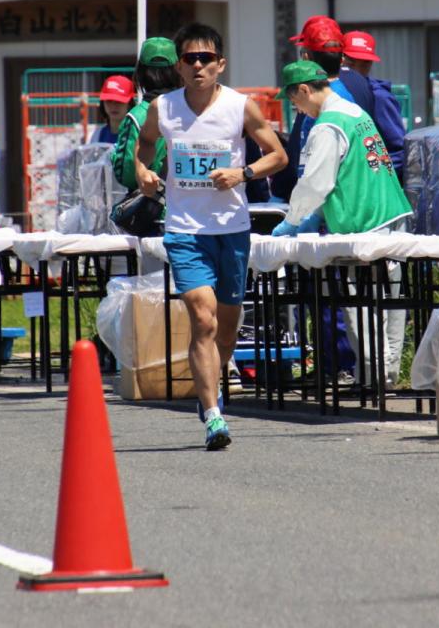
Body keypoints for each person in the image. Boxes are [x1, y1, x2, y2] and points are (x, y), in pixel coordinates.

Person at [135, 23, 287, 450]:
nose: (198, 65)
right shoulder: (162, 109)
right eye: (190, 59)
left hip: (232, 229)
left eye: (206, 58)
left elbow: (278, 155)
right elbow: (145, 147)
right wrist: (145, 172)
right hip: (185, 230)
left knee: (225, 330)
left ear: (220, 64)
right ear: (180, 67)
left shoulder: (241, 107)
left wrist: (244, 173)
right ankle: (214, 415)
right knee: (202, 318)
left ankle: (209, 388)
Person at [271, 59, 412, 386]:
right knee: (391, 302)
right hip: (391, 213)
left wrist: (292, 222)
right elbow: (346, 173)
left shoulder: (328, 124)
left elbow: (315, 185)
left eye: (294, 101)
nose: (296, 109)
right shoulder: (355, 113)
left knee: (359, 304)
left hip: (364, 223)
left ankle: (375, 377)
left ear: (305, 90)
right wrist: (317, 215)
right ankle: (384, 376)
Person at [272, 15, 406, 200]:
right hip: (357, 202)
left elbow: (319, 176)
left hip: (344, 204)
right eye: (353, 62)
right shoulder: (354, 92)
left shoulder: (330, 106)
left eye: (365, 63)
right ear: (342, 58)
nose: (358, 68)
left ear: (305, 57)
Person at [111, 37, 179, 191]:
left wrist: (113, 157)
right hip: (192, 206)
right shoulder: (191, 110)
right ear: (178, 70)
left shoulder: (136, 117)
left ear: (140, 73)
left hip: (154, 209)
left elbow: (126, 175)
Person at [340, 29, 408, 182]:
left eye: (366, 62)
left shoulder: (379, 96)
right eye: (350, 61)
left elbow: (399, 150)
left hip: (371, 183)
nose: (360, 66)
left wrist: (375, 176)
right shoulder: (331, 90)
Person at [90, 75, 135, 144]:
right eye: (109, 100)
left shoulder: (136, 135)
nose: (113, 106)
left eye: (119, 101)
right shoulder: (97, 134)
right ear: (103, 103)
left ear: (129, 104)